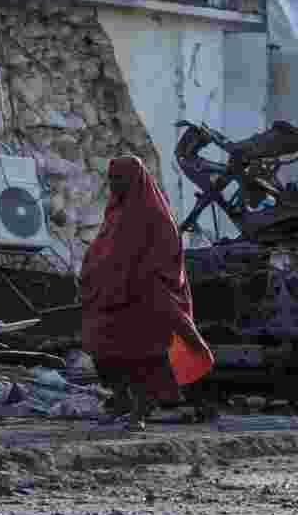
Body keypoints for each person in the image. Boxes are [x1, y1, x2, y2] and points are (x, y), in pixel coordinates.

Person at [80, 156, 213, 432]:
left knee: (143, 358)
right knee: (99, 347)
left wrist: (137, 278)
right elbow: (103, 250)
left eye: (120, 179)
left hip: (144, 299)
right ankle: (121, 400)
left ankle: (140, 411)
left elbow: (167, 259)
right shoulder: (115, 212)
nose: (115, 185)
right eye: (112, 179)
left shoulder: (156, 214)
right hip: (111, 298)